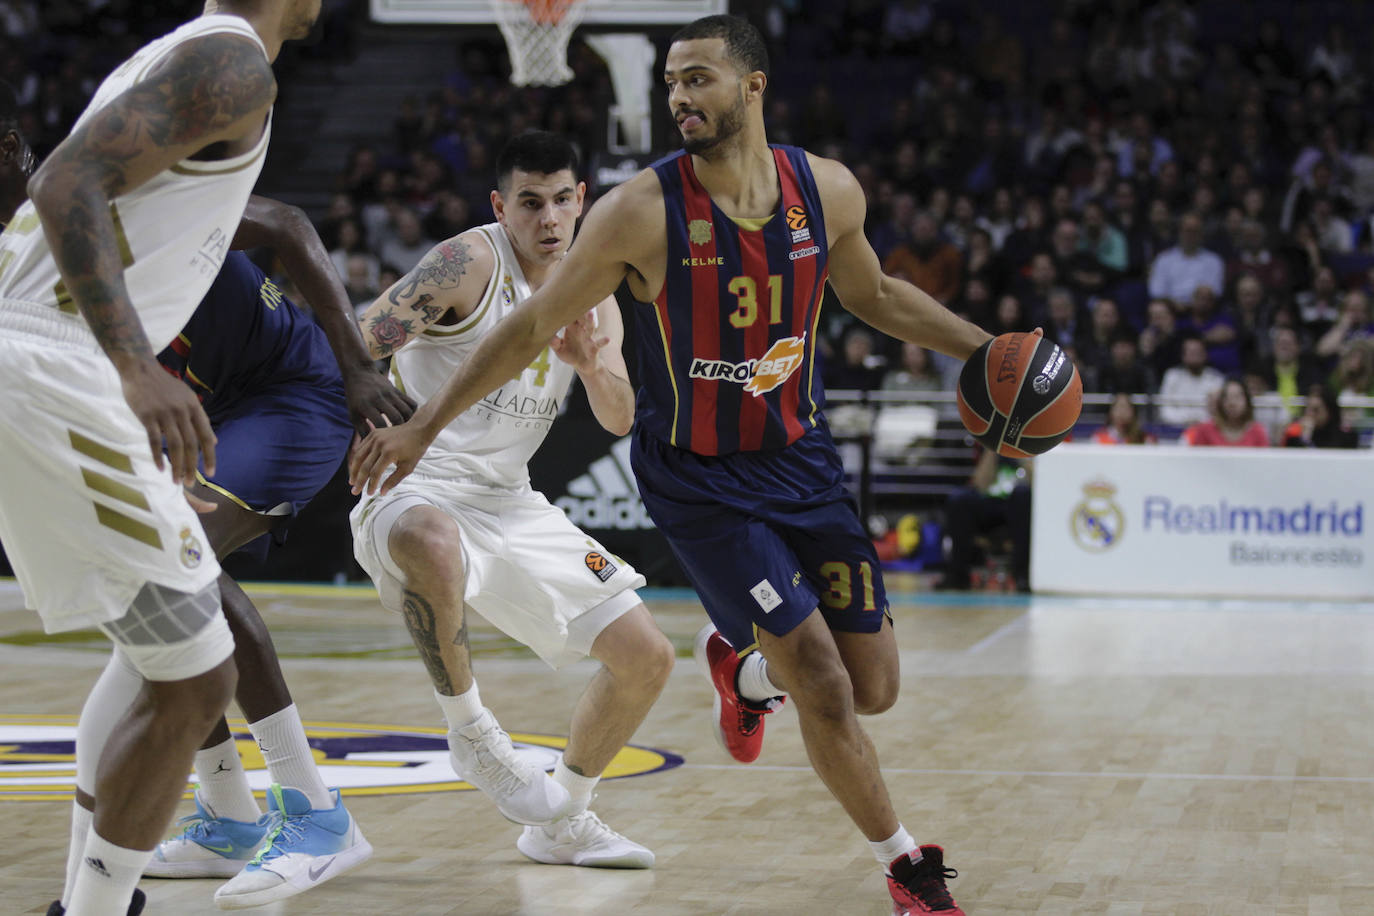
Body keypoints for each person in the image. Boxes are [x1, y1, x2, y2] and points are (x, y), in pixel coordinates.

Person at [349, 16, 987, 914]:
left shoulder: (829, 191)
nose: (681, 96)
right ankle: (905, 864)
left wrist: (988, 349)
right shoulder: (634, 213)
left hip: (800, 462)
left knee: (870, 686)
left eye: (699, 79)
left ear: (753, 85)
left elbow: (875, 295)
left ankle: (736, 674)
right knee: (826, 685)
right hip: (698, 478)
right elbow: (521, 327)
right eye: (673, 83)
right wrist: (415, 428)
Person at [0, 4, 317, 915]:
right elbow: (62, 183)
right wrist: (135, 366)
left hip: (49, 360)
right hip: (61, 362)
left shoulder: (187, 51)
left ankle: (100, 903)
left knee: (161, 656)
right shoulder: (233, 64)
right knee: (193, 671)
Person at [350, 131, 673, 868]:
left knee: (647, 658)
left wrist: (592, 367)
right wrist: (366, 420)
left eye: (563, 200)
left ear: (583, 200)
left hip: (511, 499)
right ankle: (474, 736)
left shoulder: (596, 285)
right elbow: (356, 339)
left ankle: (563, 822)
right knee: (431, 541)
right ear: (502, 206)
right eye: (530, 202)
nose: (550, 218)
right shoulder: (467, 263)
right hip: (417, 484)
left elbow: (620, 417)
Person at [140, 195, 413, 908]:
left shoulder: (104, 197)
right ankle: (229, 817)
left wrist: (357, 364)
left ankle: (318, 815)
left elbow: (288, 226)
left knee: (180, 555)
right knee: (146, 577)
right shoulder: (25, 261)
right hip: (198, 407)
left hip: (294, 388)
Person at [940, 447, 1032, 591]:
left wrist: (1021, 453)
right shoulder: (993, 447)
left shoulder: (1035, 447)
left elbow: (1035, 481)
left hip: (1019, 506)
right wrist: (993, 447)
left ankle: (1022, 576)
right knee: (959, 499)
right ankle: (958, 575)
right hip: (991, 503)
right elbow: (980, 485)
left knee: (1022, 495)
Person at [1182, 377, 1270, 446]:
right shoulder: (1204, 430)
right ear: (1220, 403)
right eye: (1227, 398)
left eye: (1237, 397)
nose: (1232, 403)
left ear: (1247, 402)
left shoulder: (1258, 432)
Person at [1281, 384, 1359, 448]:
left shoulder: (1347, 438)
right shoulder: (1294, 439)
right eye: (1307, 408)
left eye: (1316, 410)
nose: (1309, 414)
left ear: (1330, 412)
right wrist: (1305, 438)